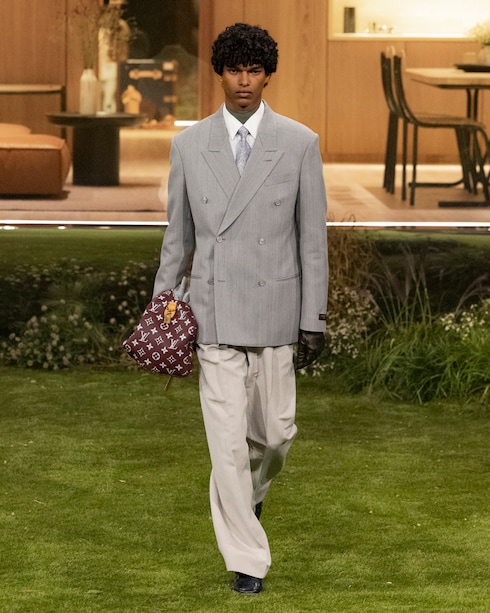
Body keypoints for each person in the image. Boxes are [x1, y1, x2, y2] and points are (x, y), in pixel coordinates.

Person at [152, 22, 328, 594]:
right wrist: (161, 311)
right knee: (227, 444)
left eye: (254, 70)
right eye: (234, 70)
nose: (244, 80)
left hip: (275, 310)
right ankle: (247, 560)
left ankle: (247, 501)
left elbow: (312, 240)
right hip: (215, 312)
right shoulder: (189, 145)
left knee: (274, 437)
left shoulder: (299, 142)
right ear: (220, 74)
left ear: (268, 75)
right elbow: (177, 239)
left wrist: (314, 317)